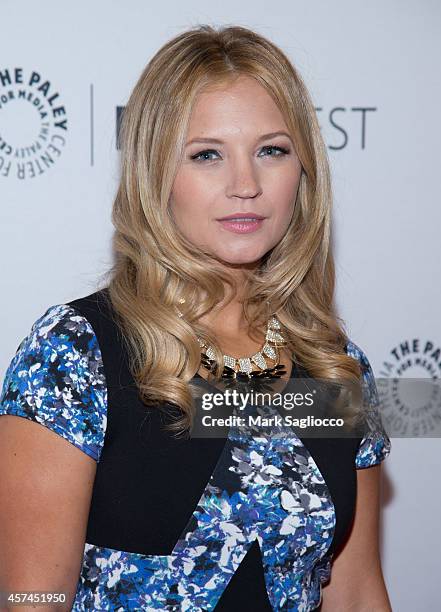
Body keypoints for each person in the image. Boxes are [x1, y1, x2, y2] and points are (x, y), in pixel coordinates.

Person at [0, 24, 392, 612]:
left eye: (272, 150)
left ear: (304, 172)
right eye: (207, 154)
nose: (246, 185)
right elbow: (31, 600)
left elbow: (357, 592)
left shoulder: (334, 369)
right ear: (157, 175)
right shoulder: (76, 355)